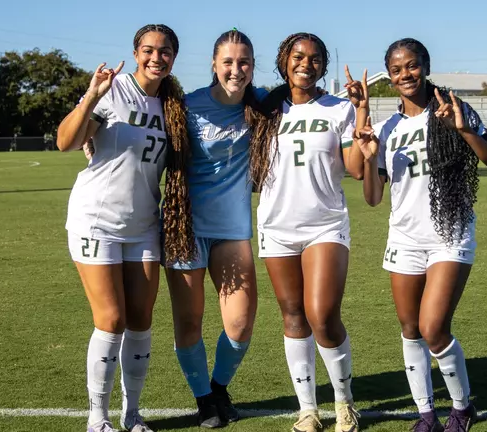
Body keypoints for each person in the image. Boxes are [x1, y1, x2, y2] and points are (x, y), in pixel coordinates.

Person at [356, 38, 487, 432]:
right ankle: (426, 415)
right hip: (404, 239)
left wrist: (463, 130)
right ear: (389, 76)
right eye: (396, 69)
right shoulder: (389, 128)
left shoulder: (452, 108)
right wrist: (371, 161)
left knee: (433, 328)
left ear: (425, 64)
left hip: (449, 234)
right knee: (410, 330)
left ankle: (462, 407)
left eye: (411, 66)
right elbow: (373, 198)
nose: (405, 74)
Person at [56, 23, 194, 432]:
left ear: (173, 56)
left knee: (140, 319)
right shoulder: (113, 90)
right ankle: (97, 416)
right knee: (111, 318)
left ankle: (132, 414)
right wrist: (92, 97)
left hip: (144, 225)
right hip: (96, 221)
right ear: (136, 53)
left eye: (165, 51)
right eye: (148, 50)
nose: (156, 58)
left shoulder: (172, 105)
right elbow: (65, 141)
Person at [249, 32, 367, 432]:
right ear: (284, 60)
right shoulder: (263, 109)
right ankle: (308, 410)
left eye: (315, 58)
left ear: (323, 66)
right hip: (276, 227)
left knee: (323, 315)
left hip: (325, 225)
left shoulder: (339, 109)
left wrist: (362, 112)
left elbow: (355, 168)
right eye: (298, 56)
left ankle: (344, 403)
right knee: (293, 315)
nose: (306, 63)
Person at [163, 28, 268, 429]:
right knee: (189, 322)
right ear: (213, 63)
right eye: (228, 61)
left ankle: (219, 386)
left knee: (240, 323)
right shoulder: (184, 107)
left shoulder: (261, 107)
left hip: (232, 228)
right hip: (185, 228)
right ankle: (204, 399)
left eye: (243, 62)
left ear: (253, 66)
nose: (235, 69)